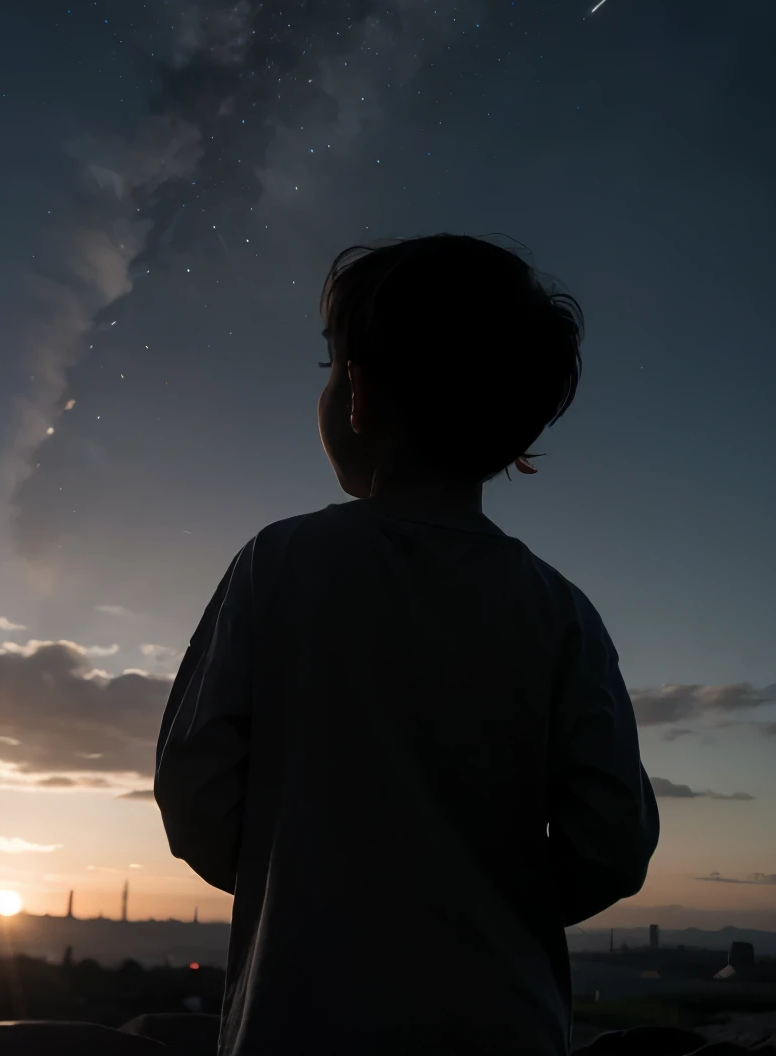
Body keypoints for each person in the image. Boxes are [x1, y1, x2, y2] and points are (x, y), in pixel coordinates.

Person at [155, 234, 659, 1056]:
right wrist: (481, 904)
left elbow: (195, 790)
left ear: (356, 391)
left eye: (328, 365)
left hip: (300, 1019)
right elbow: (611, 846)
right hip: (506, 1029)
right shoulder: (560, 611)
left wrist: (307, 884)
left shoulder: (281, 563)